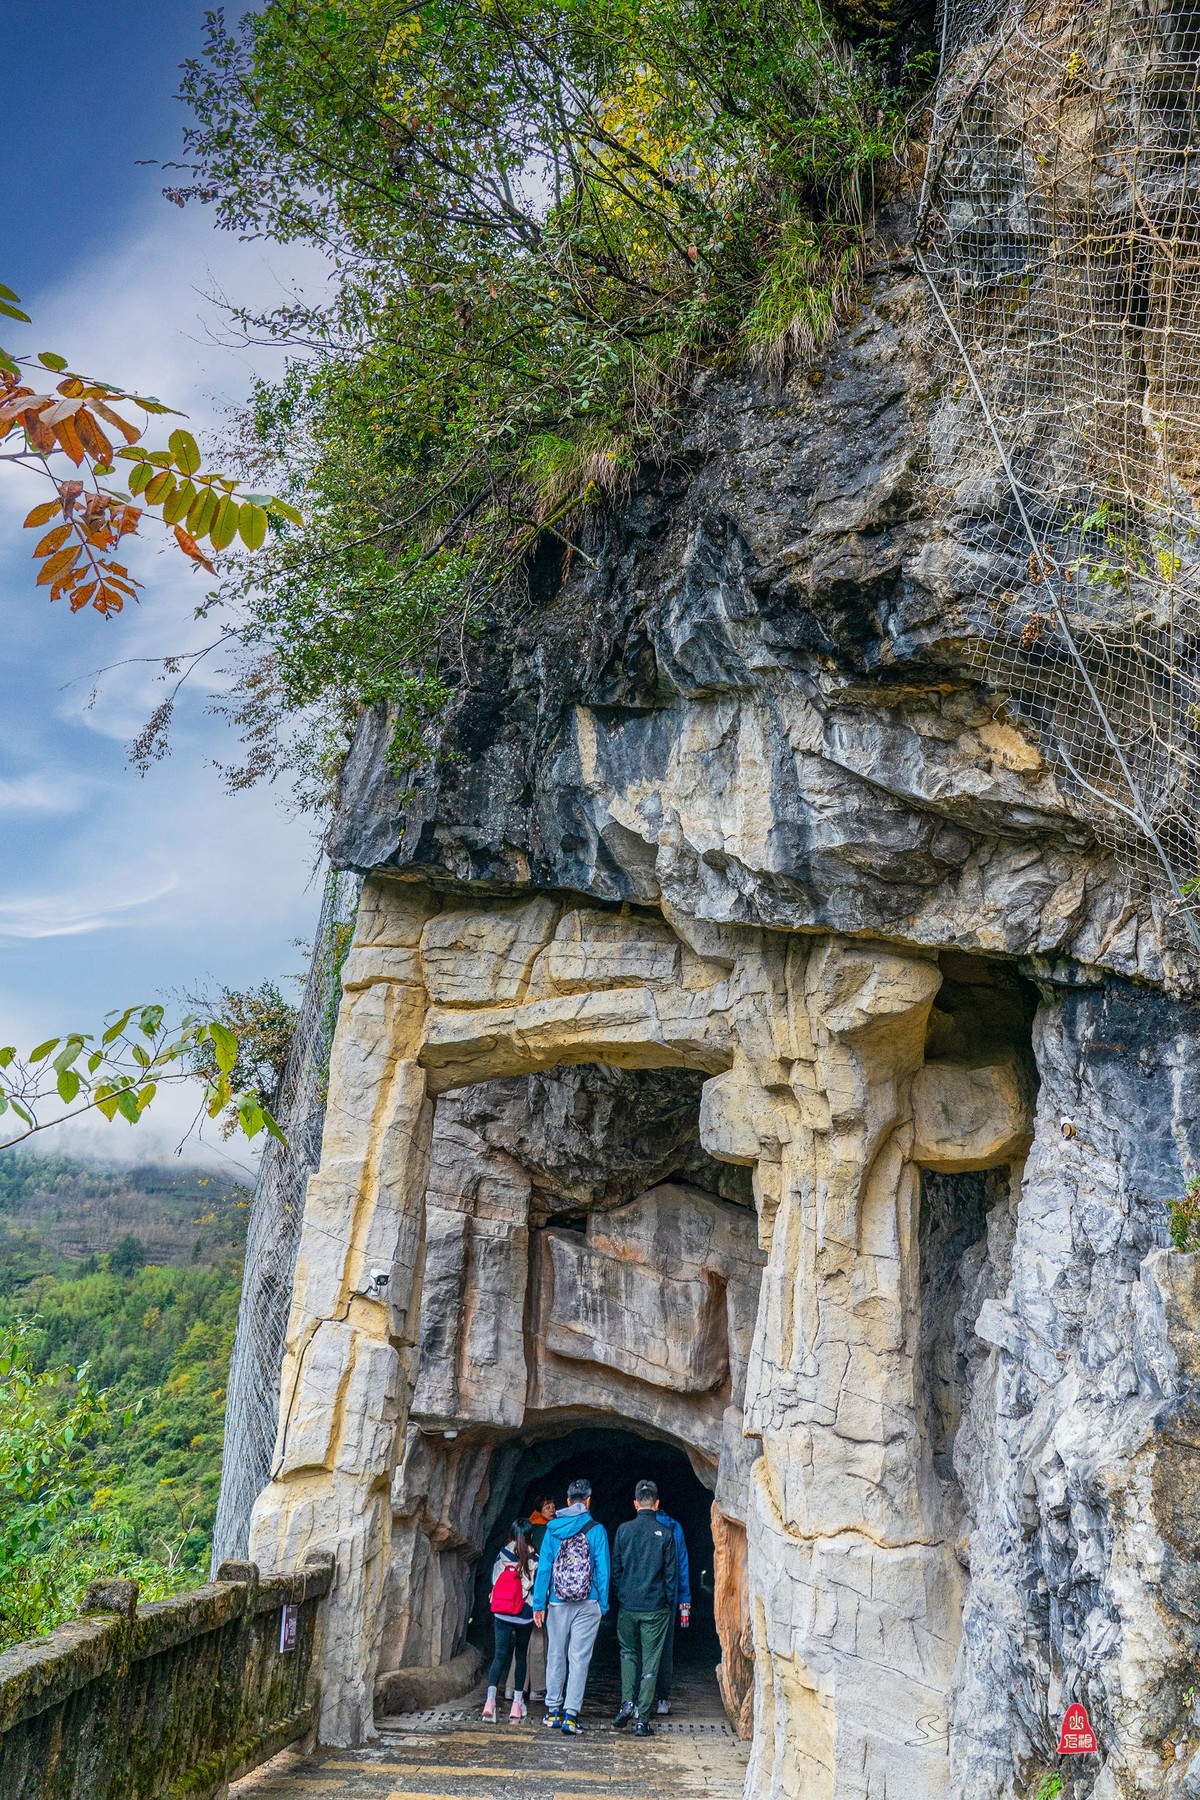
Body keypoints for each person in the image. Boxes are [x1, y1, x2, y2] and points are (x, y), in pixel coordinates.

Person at [531, 1476, 610, 1735]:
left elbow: (544, 1569)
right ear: (588, 1500)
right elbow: (603, 1570)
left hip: (557, 1601)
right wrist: (603, 1604)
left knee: (556, 1653)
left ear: (567, 1501)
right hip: (588, 1601)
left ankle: (552, 1711)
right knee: (579, 1658)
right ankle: (571, 1715)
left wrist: (539, 1604)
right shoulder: (596, 1529)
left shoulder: (553, 1529)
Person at [610, 1479, 677, 1738]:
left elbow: (616, 1569)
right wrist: (668, 1602)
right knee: (651, 1661)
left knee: (627, 1654)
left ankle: (627, 1703)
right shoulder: (666, 1534)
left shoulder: (623, 1531)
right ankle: (642, 1720)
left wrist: (622, 1594)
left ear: (636, 1503)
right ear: (657, 1504)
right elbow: (670, 1576)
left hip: (628, 1606)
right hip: (655, 1608)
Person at [483, 1520, 538, 1723]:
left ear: (511, 1534)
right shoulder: (534, 1557)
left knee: (499, 1656)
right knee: (521, 1656)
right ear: (530, 1535)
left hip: (502, 1612)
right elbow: (533, 1586)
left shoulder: (503, 1554)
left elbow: (495, 1581)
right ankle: (517, 1703)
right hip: (523, 1614)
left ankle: (490, 1702)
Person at [653, 1501, 691, 1715]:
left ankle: (640, 1701)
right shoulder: (674, 1528)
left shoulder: (633, 1527)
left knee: (642, 1650)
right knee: (665, 1651)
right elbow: (682, 1563)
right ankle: (662, 1700)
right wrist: (684, 1597)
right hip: (669, 1597)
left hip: (642, 1599)